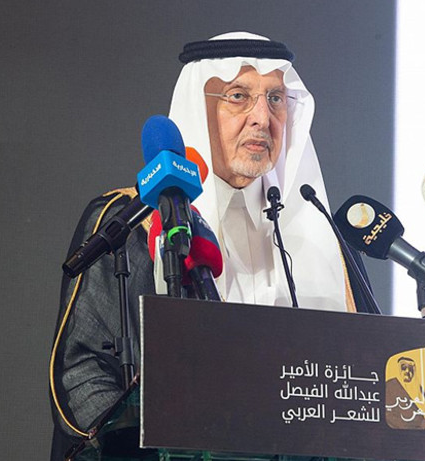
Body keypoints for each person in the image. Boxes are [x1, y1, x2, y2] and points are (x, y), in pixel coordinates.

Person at [49, 32, 374, 460]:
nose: (262, 117)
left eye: (276, 98)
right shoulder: (127, 224)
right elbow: (81, 371)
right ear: (199, 110)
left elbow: (366, 383)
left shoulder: (327, 240)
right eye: (239, 96)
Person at [385, 357, 425, 430]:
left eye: (410, 368)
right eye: (404, 367)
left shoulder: (419, 389)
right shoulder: (390, 386)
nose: (407, 371)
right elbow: (389, 416)